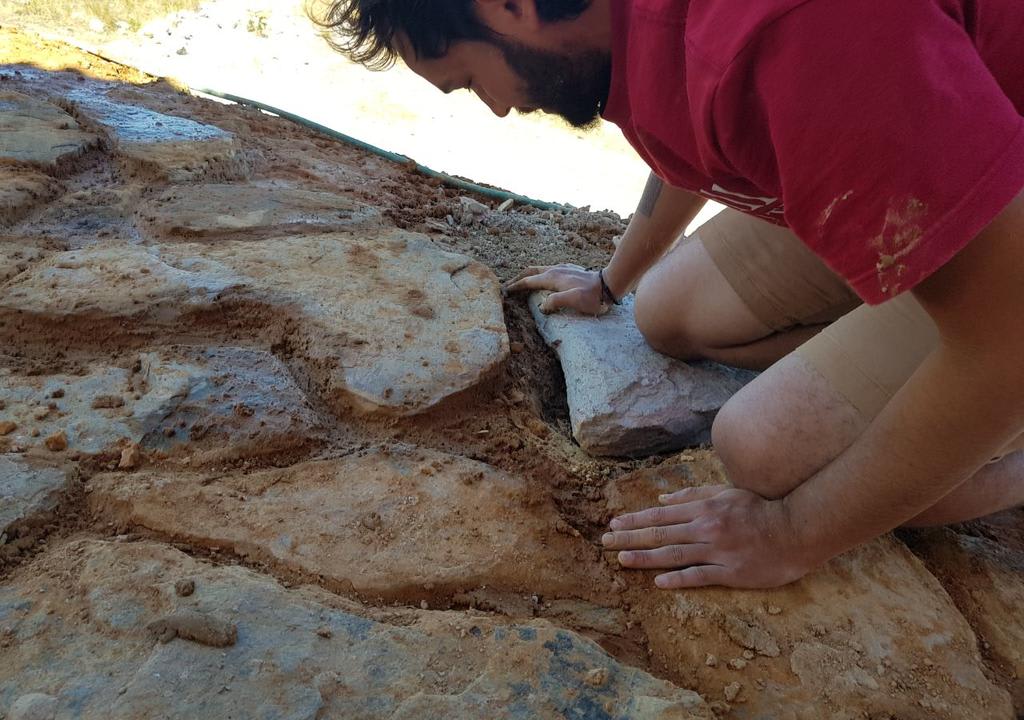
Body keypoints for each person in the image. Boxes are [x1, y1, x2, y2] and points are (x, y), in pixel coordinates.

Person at [313, 0, 1024, 589]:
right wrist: (610, 282)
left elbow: (1008, 341)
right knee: (667, 313)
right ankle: (918, 319)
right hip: (919, 160)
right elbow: (699, 117)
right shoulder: (623, 30)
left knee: (767, 453)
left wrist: (791, 534)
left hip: (998, 212)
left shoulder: (791, 34)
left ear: (510, 6)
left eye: (470, 79)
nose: (497, 110)